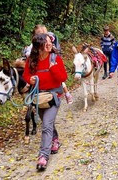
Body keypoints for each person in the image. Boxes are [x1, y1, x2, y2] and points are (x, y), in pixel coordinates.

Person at [22, 33, 68, 170]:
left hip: (53, 96)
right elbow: (26, 74)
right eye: (46, 42)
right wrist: (29, 79)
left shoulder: (55, 58)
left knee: (46, 124)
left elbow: (63, 77)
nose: (49, 44)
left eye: (50, 42)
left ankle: (43, 156)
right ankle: (55, 140)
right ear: (38, 46)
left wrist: (53, 69)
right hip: (38, 97)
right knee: (47, 123)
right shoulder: (31, 60)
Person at [17, 24, 74, 104]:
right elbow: (28, 54)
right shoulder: (32, 46)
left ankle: (66, 93)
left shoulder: (50, 44)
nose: (44, 34)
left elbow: (63, 76)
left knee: (59, 79)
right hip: (35, 65)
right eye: (40, 33)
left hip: (50, 66)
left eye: (45, 32)